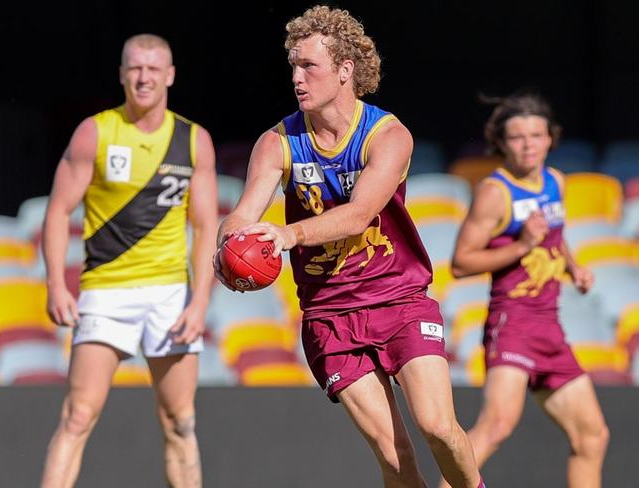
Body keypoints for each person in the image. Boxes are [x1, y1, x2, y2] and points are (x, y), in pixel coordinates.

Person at [215, 6, 485, 488]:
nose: (297, 78)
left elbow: (360, 214)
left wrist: (289, 234)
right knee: (394, 454)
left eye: (309, 66)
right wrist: (228, 245)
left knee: (438, 428)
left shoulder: (388, 135)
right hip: (329, 314)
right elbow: (243, 212)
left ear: (345, 71)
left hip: (399, 298)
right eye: (293, 66)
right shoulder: (277, 142)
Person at [40, 33, 217, 488]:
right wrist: (57, 286)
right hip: (105, 291)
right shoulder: (95, 132)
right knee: (78, 416)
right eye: (135, 68)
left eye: (153, 69)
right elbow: (58, 211)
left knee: (180, 421)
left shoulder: (194, 141)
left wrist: (198, 304)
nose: (143, 77)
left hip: (169, 295)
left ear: (170, 75)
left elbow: (205, 228)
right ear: (122, 74)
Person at [438, 91, 609, 487]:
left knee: (592, 436)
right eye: (517, 137)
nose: (528, 144)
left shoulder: (555, 181)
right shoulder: (495, 192)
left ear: (551, 137)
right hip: (512, 322)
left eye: (536, 135)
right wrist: (522, 246)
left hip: (550, 327)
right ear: (501, 142)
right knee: (496, 426)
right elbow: (462, 263)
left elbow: (554, 233)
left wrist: (573, 267)